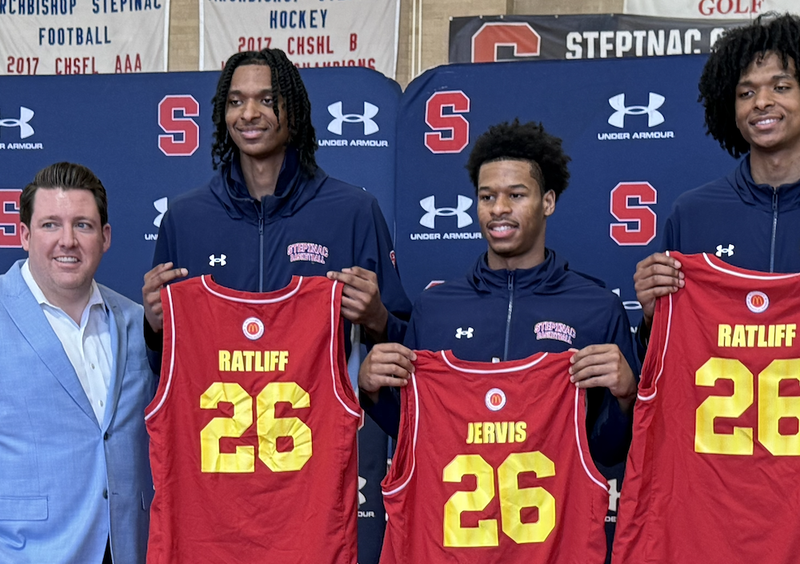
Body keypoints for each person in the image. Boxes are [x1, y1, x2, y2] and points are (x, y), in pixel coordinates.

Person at [359, 119, 638, 466]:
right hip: (457, 517)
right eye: (487, 196)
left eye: (516, 195)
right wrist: (373, 394)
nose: (498, 208)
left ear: (548, 201)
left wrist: (627, 398)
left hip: (555, 517)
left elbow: (605, 452)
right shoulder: (434, 309)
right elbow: (417, 437)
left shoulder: (597, 308)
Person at [142, 48, 410, 349]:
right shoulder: (184, 218)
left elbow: (403, 345)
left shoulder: (354, 212)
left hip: (317, 397)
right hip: (214, 398)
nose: (248, 113)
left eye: (267, 101)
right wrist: (153, 328)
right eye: (236, 102)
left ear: (293, 111)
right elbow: (166, 364)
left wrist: (377, 318)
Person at [0, 163, 156, 564]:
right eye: (51, 224)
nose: (67, 240)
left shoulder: (133, 322)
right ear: (25, 235)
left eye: (82, 225)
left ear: (104, 237)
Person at [634, 13, 800, 341]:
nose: (762, 102)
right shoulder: (693, 213)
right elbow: (669, 358)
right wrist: (653, 316)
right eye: (746, 93)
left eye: (781, 87)